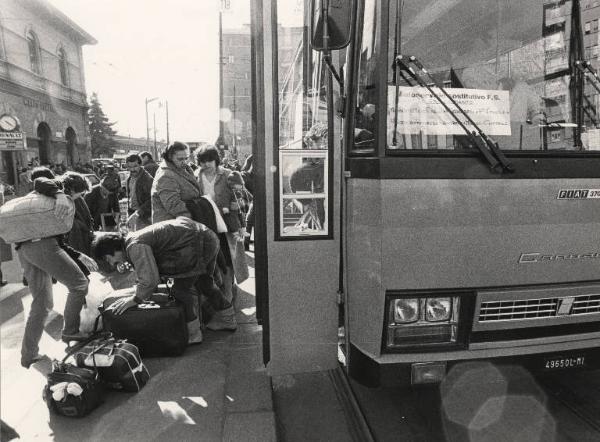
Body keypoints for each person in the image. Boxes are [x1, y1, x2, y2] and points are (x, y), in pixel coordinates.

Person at [91, 217, 237, 344]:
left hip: (197, 242)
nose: (112, 264)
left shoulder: (134, 246)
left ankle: (193, 334)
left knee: (180, 290)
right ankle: (227, 319)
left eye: (109, 259)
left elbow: (150, 280)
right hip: (206, 236)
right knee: (204, 282)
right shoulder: (133, 240)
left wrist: (134, 299)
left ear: (112, 249)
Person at [16, 178, 98, 368]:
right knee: (79, 284)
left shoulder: (42, 197)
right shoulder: (57, 194)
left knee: (42, 303)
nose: (80, 199)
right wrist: (61, 194)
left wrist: (79, 256)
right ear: (74, 190)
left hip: (25, 248)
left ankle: (28, 354)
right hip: (43, 245)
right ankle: (70, 331)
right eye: (81, 194)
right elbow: (40, 178)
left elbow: (59, 242)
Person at [195, 145, 249, 299]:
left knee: (228, 258)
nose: (206, 165)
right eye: (202, 161)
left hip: (227, 222)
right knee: (211, 259)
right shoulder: (195, 176)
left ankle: (228, 292)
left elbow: (243, 196)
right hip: (206, 223)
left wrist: (235, 203)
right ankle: (220, 293)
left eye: (209, 161)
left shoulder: (228, 174)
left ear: (216, 160)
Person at [151, 141, 202, 224]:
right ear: (169, 158)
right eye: (180, 159)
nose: (185, 162)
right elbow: (174, 205)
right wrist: (197, 219)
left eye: (186, 158)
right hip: (173, 226)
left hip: (183, 223)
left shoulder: (183, 169)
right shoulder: (165, 176)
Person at [124, 154, 153, 230]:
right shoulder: (129, 178)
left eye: (135, 166)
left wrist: (138, 213)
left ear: (140, 165)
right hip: (132, 213)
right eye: (130, 167)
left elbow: (151, 200)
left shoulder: (147, 179)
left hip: (144, 217)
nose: (132, 169)